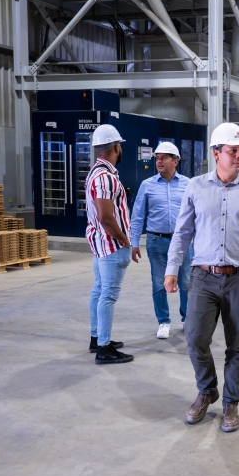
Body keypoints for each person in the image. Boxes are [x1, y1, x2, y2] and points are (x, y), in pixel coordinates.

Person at [164, 123, 239, 432]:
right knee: (194, 339)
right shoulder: (196, 187)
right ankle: (207, 389)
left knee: (236, 344)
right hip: (203, 277)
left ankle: (230, 403)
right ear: (216, 153)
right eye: (233, 151)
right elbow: (182, 233)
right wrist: (172, 269)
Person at [129, 142, 193, 339]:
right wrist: (134, 243)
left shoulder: (188, 184)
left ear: (175, 161)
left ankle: (187, 319)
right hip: (157, 241)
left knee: (186, 282)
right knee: (158, 282)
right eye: (157, 158)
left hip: (183, 242)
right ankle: (163, 321)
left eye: (164, 158)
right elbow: (137, 215)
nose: (159, 161)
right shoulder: (147, 185)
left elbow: (197, 214)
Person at [85, 124, 134, 365]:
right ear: (116, 147)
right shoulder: (105, 177)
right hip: (111, 245)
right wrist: (124, 239)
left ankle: (97, 338)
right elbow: (106, 217)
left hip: (100, 244)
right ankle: (104, 348)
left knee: (99, 290)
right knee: (108, 295)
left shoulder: (96, 173)